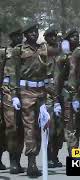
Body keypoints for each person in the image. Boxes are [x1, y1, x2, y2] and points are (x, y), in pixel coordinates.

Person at [11, 22, 50, 177]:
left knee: (40, 128)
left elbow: (48, 71)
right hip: (26, 92)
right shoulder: (19, 49)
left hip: (41, 92)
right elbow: (14, 73)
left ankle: (35, 158)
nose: (34, 34)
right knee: (29, 128)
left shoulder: (43, 48)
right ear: (25, 35)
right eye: (31, 32)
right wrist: (14, 95)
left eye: (36, 31)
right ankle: (31, 163)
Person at [0, 25, 24, 173]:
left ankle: (17, 160)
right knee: (10, 127)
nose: (19, 38)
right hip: (7, 93)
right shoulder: (4, 52)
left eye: (21, 36)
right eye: (16, 36)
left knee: (21, 127)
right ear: (11, 38)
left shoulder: (25, 52)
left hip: (24, 92)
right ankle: (11, 160)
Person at [55, 28, 80, 155]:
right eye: (72, 36)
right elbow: (58, 77)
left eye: (77, 36)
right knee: (70, 122)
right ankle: (73, 152)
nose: (75, 38)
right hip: (68, 92)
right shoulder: (63, 56)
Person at [44, 27, 64, 168]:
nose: (53, 38)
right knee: (50, 127)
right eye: (50, 36)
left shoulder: (61, 52)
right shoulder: (42, 53)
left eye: (55, 36)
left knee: (60, 129)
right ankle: (48, 157)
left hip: (62, 90)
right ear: (46, 38)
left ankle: (55, 156)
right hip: (48, 92)